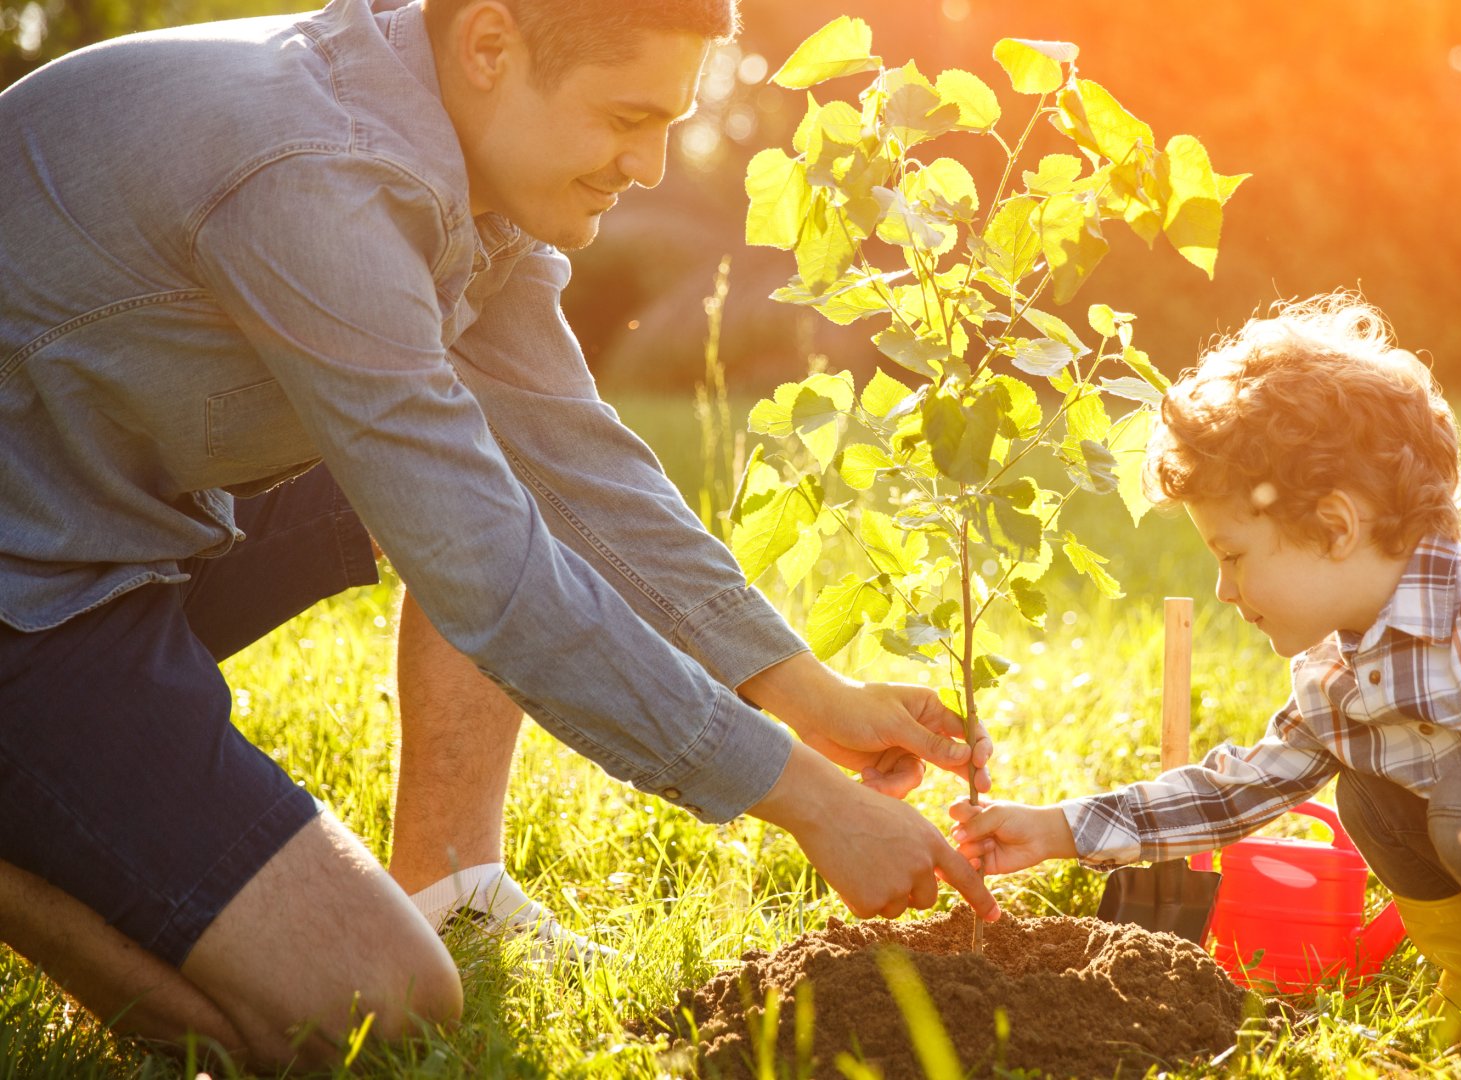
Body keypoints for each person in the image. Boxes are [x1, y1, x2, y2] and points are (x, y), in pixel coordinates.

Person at [0, 0, 997, 1066]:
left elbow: (576, 462)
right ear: (488, 45)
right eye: (628, 117)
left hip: (108, 509)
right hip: (30, 598)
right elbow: (492, 575)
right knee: (371, 1009)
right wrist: (807, 802)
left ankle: (450, 886)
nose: (653, 166)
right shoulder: (319, 178)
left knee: (481, 468)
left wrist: (806, 692)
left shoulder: (468, 149)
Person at [947, 295, 1461, 1077]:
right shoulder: (1338, 673)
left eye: (1232, 555)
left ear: (1335, 527)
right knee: (1376, 794)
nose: (1224, 591)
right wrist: (1057, 828)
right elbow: (1235, 791)